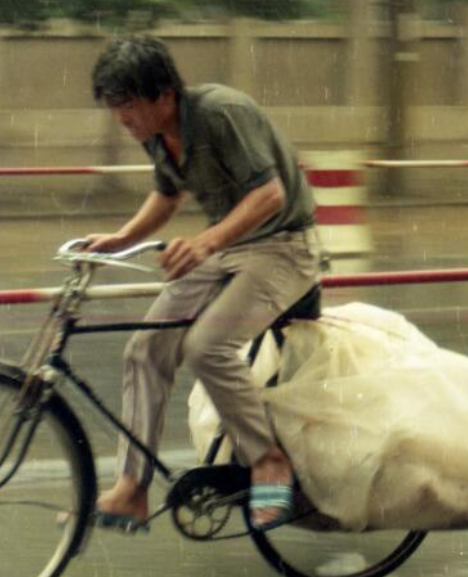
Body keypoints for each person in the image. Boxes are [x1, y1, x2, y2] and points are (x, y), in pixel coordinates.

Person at [85, 35, 321, 532]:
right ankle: (132, 487)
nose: (121, 118)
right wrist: (121, 238)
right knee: (146, 349)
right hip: (233, 250)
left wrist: (206, 242)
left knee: (207, 346)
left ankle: (268, 461)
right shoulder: (157, 134)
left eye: (128, 106)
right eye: (114, 108)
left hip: (283, 246)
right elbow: (167, 196)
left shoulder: (220, 114)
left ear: (164, 94)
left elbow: (270, 194)